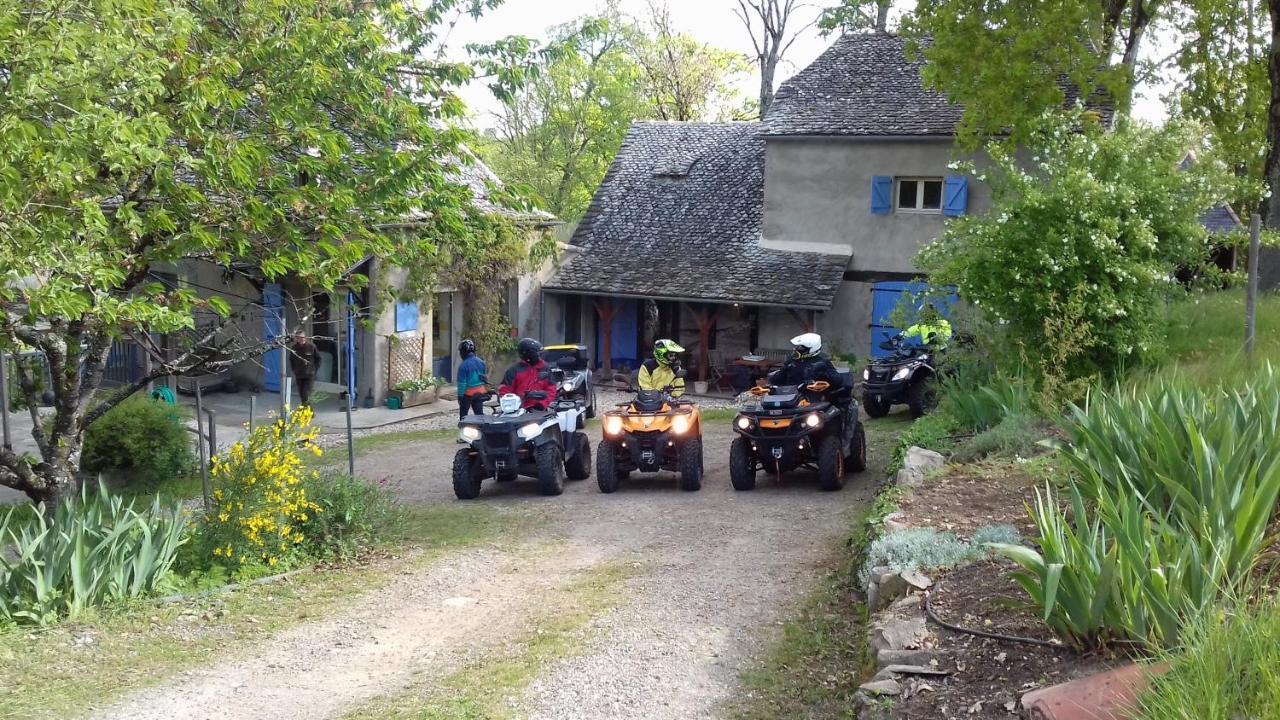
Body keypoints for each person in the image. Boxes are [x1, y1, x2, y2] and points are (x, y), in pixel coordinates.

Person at [499, 338, 558, 410]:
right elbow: (505, 391)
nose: (539, 357)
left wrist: (542, 404)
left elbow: (551, 389)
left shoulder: (545, 368)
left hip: (539, 411)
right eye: (537, 353)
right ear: (528, 354)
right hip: (518, 410)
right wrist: (509, 404)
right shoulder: (514, 371)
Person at [768, 333, 841, 388]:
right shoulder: (792, 360)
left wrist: (825, 373)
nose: (797, 350)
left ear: (812, 349)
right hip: (791, 397)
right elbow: (778, 380)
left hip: (812, 398)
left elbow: (838, 380)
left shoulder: (823, 361)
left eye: (801, 349)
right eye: (797, 347)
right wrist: (782, 371)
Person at [455, 338, 488, 420]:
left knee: (463, 415)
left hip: (468, 394)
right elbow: (483, 378)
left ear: (463, 352)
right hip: (480, 392)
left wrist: (460, 397)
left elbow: (462, 384)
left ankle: (464, 429)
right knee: (479, 414)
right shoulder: (481, 362)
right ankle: (482, 429)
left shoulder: (463, 366)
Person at [288, 331, 319, 407]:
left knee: (306, 393)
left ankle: (307, 412)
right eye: (299, 338)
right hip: (299, 374)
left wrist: (314, 369)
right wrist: (294, 370)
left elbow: (318, 359)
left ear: (305, 337)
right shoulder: (294, 348)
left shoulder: (311, 346)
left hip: (309, 375)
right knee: (302, 394)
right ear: (296, 339)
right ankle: (308, 412)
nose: (301, 339)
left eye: (302, 337)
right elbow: (291, 360)